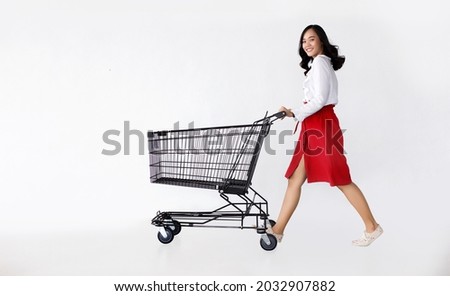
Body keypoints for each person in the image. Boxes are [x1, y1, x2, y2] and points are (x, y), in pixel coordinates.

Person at [268, 24, 383, 247]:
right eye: (303, 41)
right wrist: (297, 114)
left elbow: (320, 99)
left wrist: (294, 113)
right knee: (295, 179)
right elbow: (318, 99)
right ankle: (277, 230)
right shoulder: (319, 64)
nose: (307, 44)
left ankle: (372, 227)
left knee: (340, 178)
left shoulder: (320, 63)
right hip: (315, 125)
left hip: (321, 125)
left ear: (321, 41)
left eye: (311, 39)